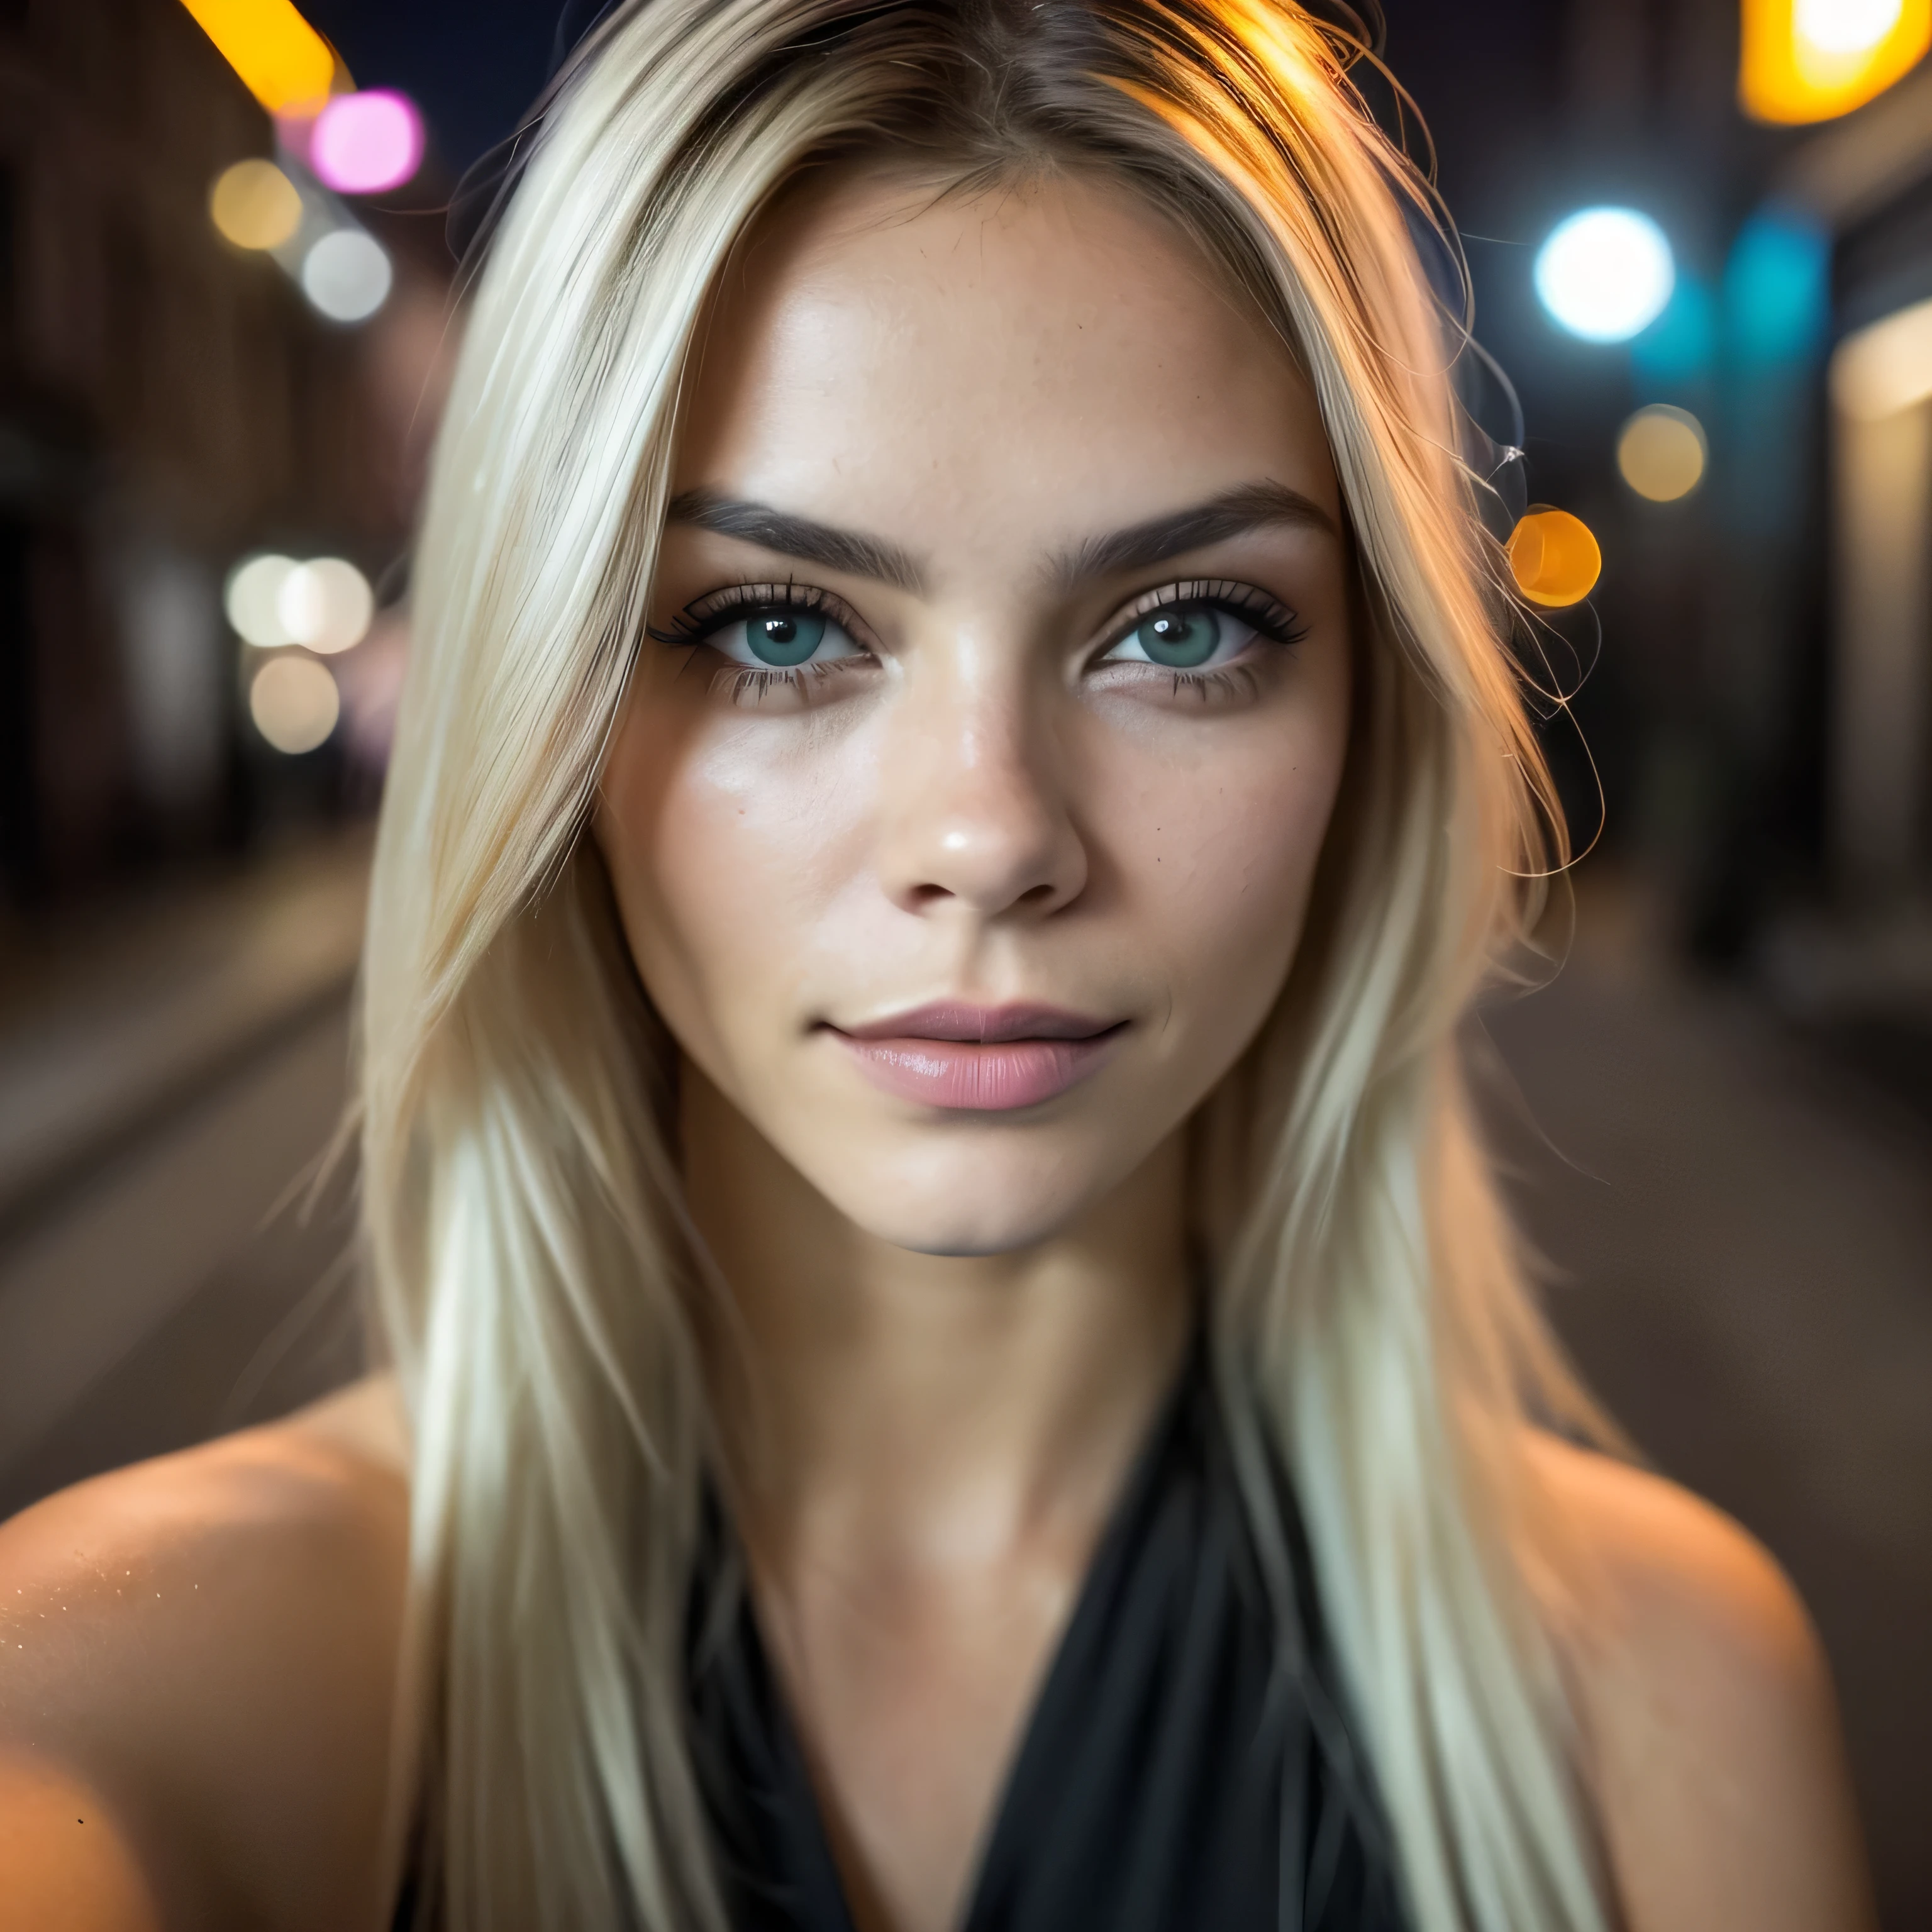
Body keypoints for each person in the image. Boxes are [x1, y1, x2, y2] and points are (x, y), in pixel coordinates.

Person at [0, 4, 1877, 1929]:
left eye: (1183, 628)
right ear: (545, 709)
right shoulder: (158, 1695)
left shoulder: (1658, 1715)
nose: (989, 834)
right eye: (782, 630)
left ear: (1374, 711)